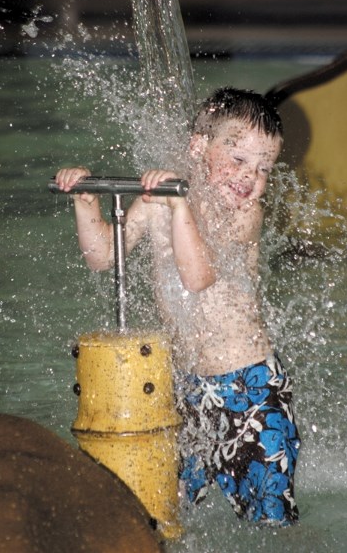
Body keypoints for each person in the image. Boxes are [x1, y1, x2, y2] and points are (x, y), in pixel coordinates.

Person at [55, 87, 301, 526]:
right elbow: (104, 258)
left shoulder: (245, 216)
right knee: (170, 509)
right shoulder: (158, 205)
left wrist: (177, 203)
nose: (252, 179)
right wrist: (84, 201)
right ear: (198, 147)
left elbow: (199, 276)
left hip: (253, 393)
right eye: (240, 160)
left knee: (269, 520)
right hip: (188, 392)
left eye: (265, 169)